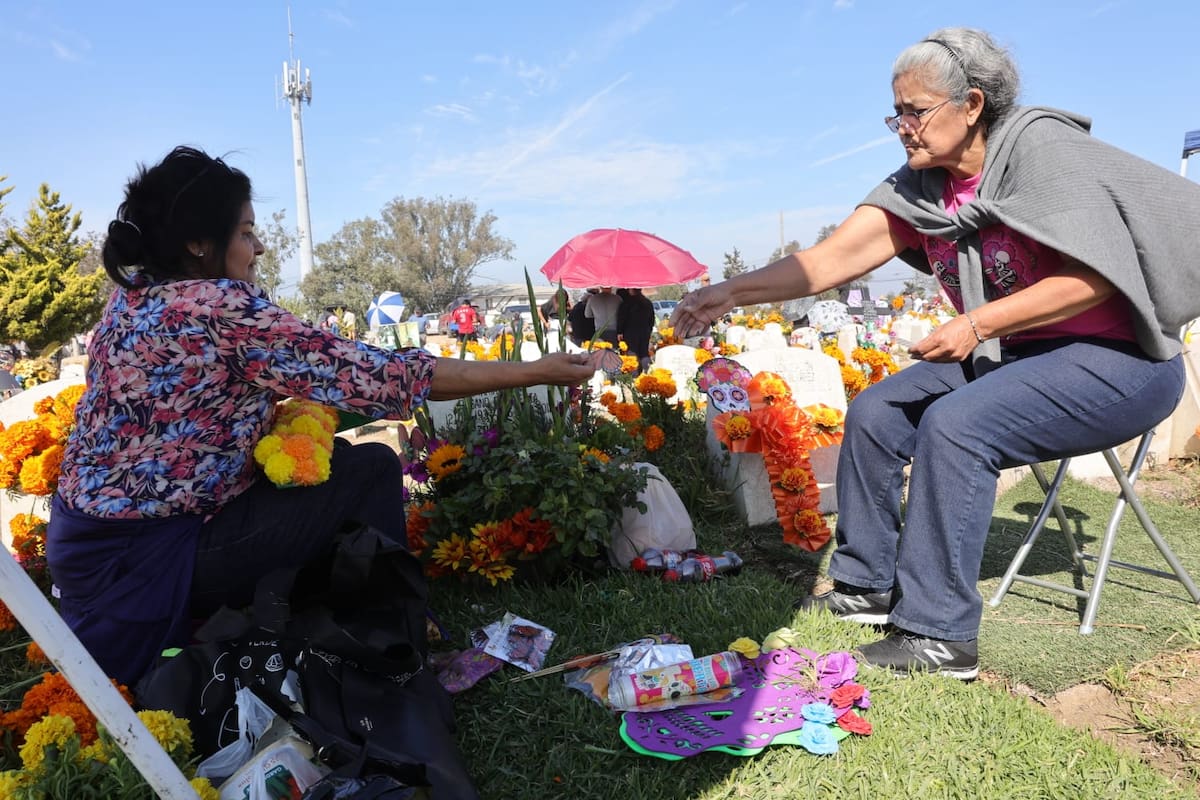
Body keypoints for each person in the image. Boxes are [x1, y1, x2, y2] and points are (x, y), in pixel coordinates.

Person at [671, 28, 1200, 680]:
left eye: (915, 111)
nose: (902, 127)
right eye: (895, 113)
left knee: (958, 424)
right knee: (877, 410)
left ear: (971, 105)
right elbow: (831, 259)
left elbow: (1097, 277)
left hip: (1122, 360)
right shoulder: (924, 185)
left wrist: (977, 323)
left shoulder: (1043, 151)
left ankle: (940, 635)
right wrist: (729, 292)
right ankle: (867, 586)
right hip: (1020, 356)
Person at [45, 146, 602, 686]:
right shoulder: (221, 308)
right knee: (373, 469)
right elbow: (388, 375)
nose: (258, 247)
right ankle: (396, 643)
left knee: (324, 463)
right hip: (154, 558)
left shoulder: (133, 297)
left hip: (84, 544)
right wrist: (536, 370)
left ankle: (322, 622)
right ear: (196, 243)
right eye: (244, 232)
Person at [616, 287, 656, 374]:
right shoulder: (648, 302)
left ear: (631, 290)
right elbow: (652, 319)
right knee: (644, 353)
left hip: (630, 332)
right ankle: (648, 372)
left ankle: (634, 375)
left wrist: (619, 331)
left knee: (632, 354)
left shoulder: (626, 303)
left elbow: (622, 319)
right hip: (645, 331)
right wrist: (649, 330)